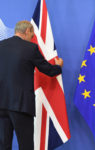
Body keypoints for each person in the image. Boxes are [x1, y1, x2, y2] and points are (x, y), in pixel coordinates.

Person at [0, 20, 63, 150]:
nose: (32, 39)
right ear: (27, 31)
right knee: (26, 145)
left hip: (1, 104)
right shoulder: (30, 48)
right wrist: (58, 67)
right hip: (21, 105)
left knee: (3, 145)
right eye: (32, 35)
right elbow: (48, 70)